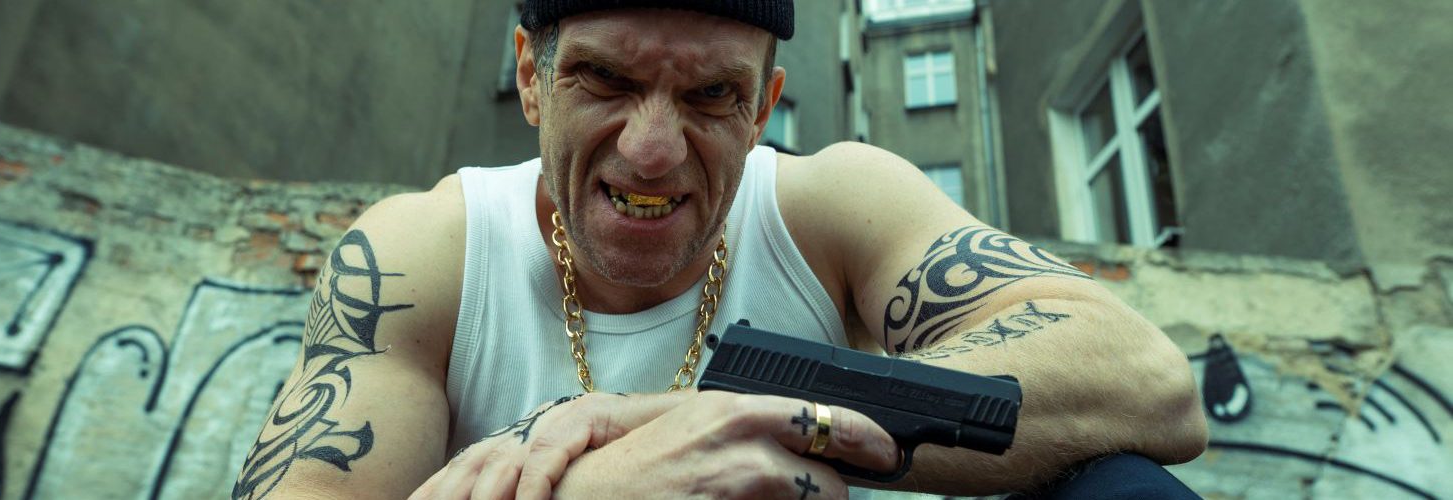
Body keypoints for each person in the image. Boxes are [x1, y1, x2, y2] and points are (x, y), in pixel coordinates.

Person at [232, 1, 1207, 499]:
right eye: (605, 81)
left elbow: (1149, 384)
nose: (653, 149)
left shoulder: (827, 205)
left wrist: (691, 422)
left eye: (711, 96)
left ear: (764, 106)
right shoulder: (427, 251)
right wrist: (600, 487)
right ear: (530, 76)